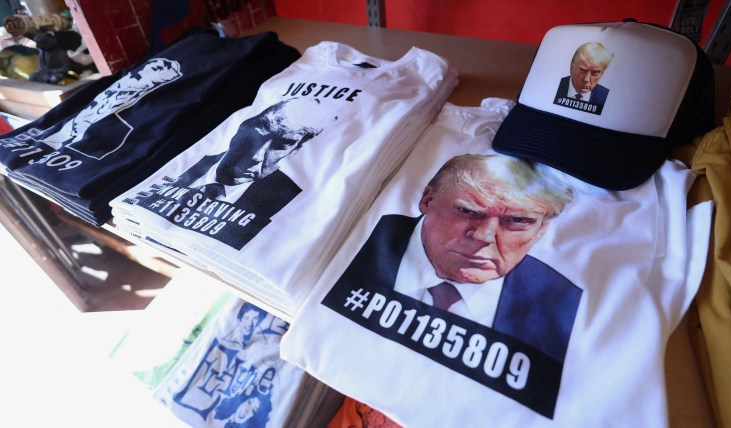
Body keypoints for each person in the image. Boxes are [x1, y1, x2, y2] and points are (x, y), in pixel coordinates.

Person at [333, 154, 582, 362]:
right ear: (427, 200)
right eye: (468, 211)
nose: (484, 236)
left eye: (518, 220)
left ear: (541, 230)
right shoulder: (356, 238)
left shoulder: (562, 306)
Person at [172, 97, 337, 207]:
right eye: (260, 132)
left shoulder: (289, 204)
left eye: (283, 144)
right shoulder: (186, 160)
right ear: (245, 125)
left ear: (295, 150)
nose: (257, 156)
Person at [41, 57, 182, 159]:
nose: (147, 70)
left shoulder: (145, 100)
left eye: (156, 69)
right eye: (151, 66)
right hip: (78, 127)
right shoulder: (125, 81)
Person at [554, 42, 614, 107]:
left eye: (595, 73)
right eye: (582, 70)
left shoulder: (606, 98)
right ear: (571, 67)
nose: (586, 79)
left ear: (602, 73)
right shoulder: (554, 86)